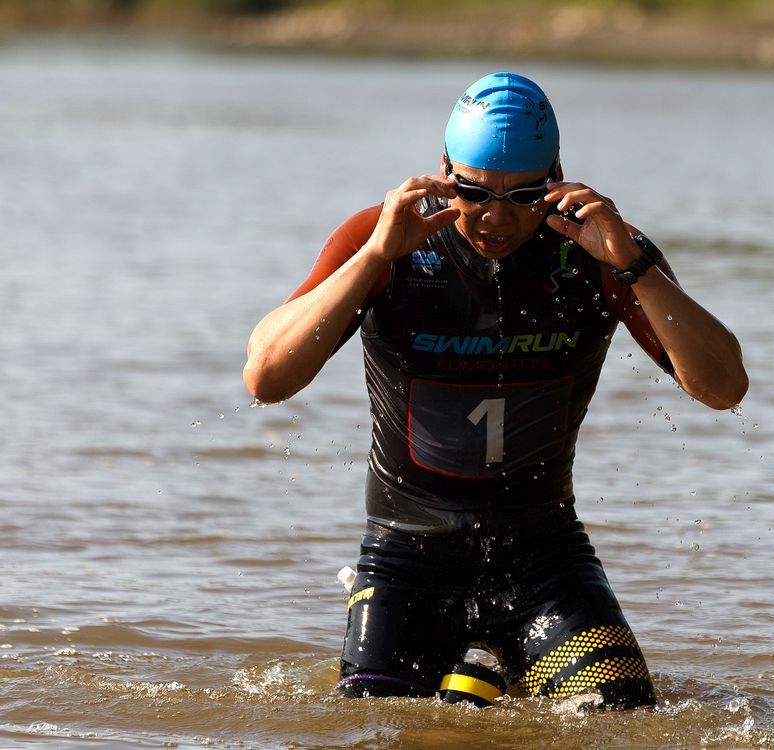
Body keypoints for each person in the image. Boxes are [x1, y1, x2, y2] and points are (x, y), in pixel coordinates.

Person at [243, 72, 748, 710]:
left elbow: (725, 387)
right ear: (444, 170)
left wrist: (634, 267)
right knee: (372, 722)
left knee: (620, 719)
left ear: (559, 180)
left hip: (545, 559)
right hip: (407, 555)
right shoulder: (386, 235)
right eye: (474, 193)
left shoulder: (599, 247)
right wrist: (374, 259)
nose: (496, 218)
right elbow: (266, 378)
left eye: (525, 195)